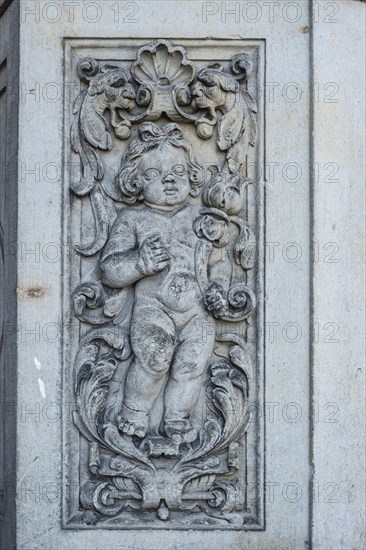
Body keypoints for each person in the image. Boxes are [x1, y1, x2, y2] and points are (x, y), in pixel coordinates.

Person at [101, 122, 224, 443]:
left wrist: (217, 291)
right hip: (154, 310)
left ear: (192, 177)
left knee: (192, 365)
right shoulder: (133, 220)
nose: (169, 179)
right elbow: (110, 270)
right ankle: (135, 412)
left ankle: (177, 418)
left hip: (197, 312)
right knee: (154, 357)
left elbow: (217, 263)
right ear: (136, 181)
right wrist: (139, 263)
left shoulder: (199, 218)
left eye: (179, 172)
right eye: (154, 174)